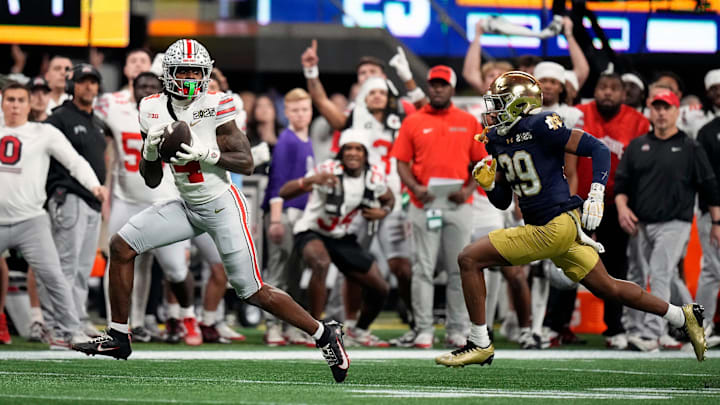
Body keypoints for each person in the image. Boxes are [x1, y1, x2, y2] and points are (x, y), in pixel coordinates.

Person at [72, 39, 350, 384]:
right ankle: (118, 336)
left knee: (251, 290)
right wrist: (149, 152)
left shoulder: (219, 103)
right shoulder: (151, 107)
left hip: (222, 204)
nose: (189, 77)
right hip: (187, 205)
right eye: (182, 71)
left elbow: (246, 162)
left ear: (205, 75)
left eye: (195, 71)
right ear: (167, 75)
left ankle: (323, 332)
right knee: (121, 245)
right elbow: (153, 179)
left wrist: (206, 153)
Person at [435, 71, 708, 367]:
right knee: (610, 288)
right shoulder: (498, 139)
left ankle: (479, 342)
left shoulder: (541, 124)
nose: (494, 111)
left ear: (518, 104)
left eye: (500, 104)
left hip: (554, 227)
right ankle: (682, 315)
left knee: (469, 259)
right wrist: (490, 186)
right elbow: (502, 201)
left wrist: (595, 193)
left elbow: (598, 148)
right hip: (552, 228)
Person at [95, 71, 203, 346]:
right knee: (119, 260)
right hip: (126, 198)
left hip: (163, 197)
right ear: (132, 86)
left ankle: (188, 315)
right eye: (141, 85)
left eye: (152, 86)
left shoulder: (176, 112)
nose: (146, 90)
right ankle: (122, 325)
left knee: (176, 268)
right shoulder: (118, 113)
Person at [0, 82, 106, 347]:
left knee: (54, 275)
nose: (15, 105)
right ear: (2, 103)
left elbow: (74, 161)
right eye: (10, 99)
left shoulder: (44, 132)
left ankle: (70, 331)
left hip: (31, 220)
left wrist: (94, 185)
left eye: (20, 100)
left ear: (29, 104)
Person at [615, 89, 720, 352]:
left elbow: (709, 186)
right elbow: (621, 184)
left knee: (659, 274)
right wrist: (622, 208)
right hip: (640, 222)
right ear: (650, 111)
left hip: (675, 222)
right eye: (657, 107)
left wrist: (717, 223)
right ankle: (697, 324)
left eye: (667, 107)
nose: (661, 113)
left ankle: (653, 334)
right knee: (655, 276)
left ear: (676, 112)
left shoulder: (690, 146)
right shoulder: (638, 145)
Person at [391, 65, 487, 349]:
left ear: (452, 88)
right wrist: (415, 188)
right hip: (425, 202)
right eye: (433, 84)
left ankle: (457, 329)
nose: (437, 88)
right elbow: (401, 163)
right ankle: (423, 329)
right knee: (423, 267)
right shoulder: (413, 121)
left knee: (461, 268)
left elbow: (482, 162)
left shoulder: (468, 122)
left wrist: (469, 188)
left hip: (459, 203)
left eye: (442, 84)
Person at [566, 72, 650, 350]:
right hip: (578, 201)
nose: (607, 93)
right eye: (602, 87)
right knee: (566, 261)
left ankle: (614, 328)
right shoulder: (579, 114)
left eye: (614, 89)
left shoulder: (638, 121)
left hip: (615, 203)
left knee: (616, 267)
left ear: (624, 94)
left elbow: (640, 168)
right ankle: (557, 325)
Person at [43, 63, 109, 338]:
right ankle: (58, 324)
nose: (89, 87)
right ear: (72, 85)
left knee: (82, 268)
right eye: (83, 82)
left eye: (93, 82)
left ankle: (78, 317)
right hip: (68, 196)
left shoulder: (96, 122)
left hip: (93, 200)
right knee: (66, 266)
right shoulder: (58, 118)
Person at [261, 88, 316, 346]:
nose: (301, 114)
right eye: (295, 110)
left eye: (305, 109)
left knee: (294, 273)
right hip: (283, 214)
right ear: (286, 113)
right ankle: (272, 326)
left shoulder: (308, 140)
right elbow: (277, 183)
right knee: (278, 271)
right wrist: (275, 219)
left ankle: (291, 326)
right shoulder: (287, 140)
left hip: (302, 216)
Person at [696, 99, 720, 347]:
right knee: (713, 269)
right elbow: (706, 178)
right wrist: (716, 217)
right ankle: (702, 327)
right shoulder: (709, 131)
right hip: (713, 212)